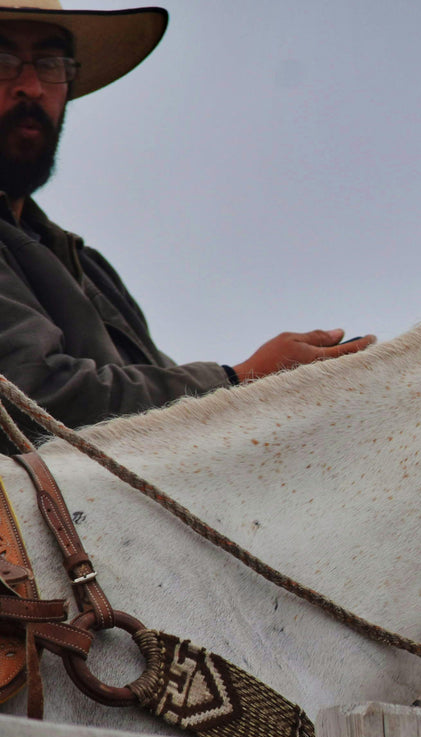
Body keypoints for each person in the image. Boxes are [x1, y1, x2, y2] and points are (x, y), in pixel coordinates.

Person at [0, 2, 373, 449]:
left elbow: (159, 411)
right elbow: (29, 397)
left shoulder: (85, 266)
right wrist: (239, 380)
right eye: (1, 61)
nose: (31, 87)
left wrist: (271, 393)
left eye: (51, 63)